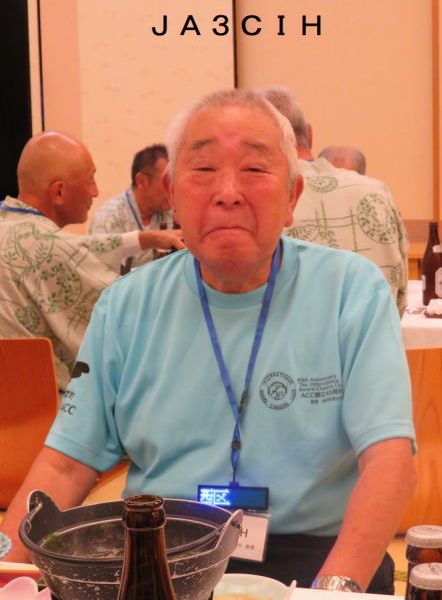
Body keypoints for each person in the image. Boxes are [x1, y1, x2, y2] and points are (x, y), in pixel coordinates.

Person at [0, 91, 415, 594]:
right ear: (172, 193)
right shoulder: (126, 304)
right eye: (203, 170)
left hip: (319, 554)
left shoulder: (351, 290)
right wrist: (4, 569)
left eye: (254, 170)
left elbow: (390, 461)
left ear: (292, 197)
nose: (228, 193)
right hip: (159, 556)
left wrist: (333, 588)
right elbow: (64, 465)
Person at [0, 131, 184, 392]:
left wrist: (146, 238)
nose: (96, 192)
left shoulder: (14, 227)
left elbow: (77, 248)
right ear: (59, 191)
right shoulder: (50, 246)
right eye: (91, 180)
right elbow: (124, 311)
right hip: (46, 404)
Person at [259, 86, 409, 316]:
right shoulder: (376, 192)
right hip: (375, 335)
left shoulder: (259, 199)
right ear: (309, 134)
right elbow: (399, 298)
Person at [89, 143, 176, 269]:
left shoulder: (172, 212)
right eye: (167, 181)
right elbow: (99, 271)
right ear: (141, 181)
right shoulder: (109, 216)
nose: (172, 189)